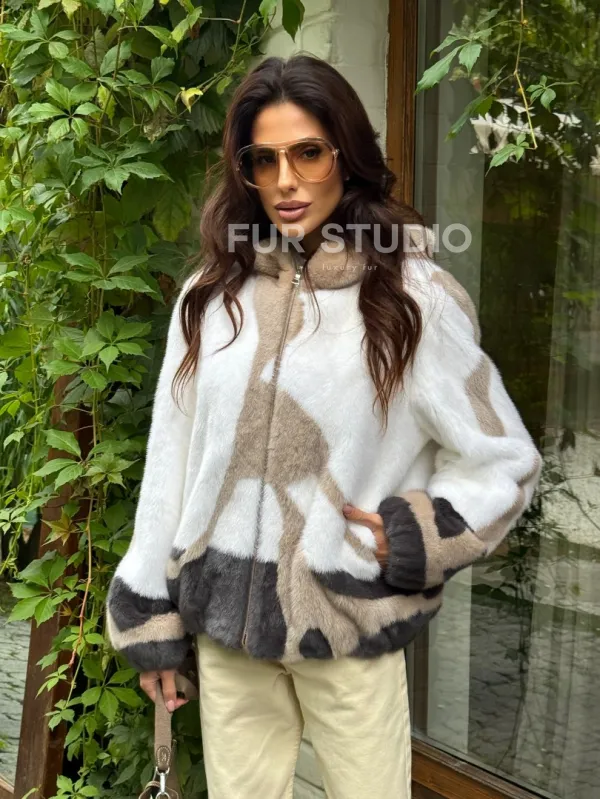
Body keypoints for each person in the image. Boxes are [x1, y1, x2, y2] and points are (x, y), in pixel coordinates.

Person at [105, 53, 542, 798]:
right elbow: (171, 459)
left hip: (347, 624)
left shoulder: (412, 298)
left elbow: (503, 456)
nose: (285, 180)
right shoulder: (211, 297)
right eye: (263, 159)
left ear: (348, 155)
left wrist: (416, 534)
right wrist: (149, 611)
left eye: (308, 153)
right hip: (228, 638)